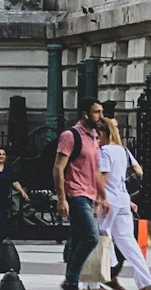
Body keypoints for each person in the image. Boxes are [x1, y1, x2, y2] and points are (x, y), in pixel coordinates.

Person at [54, 98, 108, 290]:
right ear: (85, 113)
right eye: (97, 112)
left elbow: (94, 171)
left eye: (101, 112)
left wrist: (102, 197)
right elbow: (58, 168)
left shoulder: (94, 136)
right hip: (75, 193)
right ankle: (71, 280)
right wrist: (62, 199)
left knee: (78, 238)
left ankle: (71, 280)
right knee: (91, 237)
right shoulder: (70, 135)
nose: (101, 116)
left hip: (90, 195)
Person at [97, 118, 151, 290]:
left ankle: (108, 269)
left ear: (102, 133)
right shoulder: (123, 151)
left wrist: (101, 199)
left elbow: (103, 178)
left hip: (109, 199)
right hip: (122, 199)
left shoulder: (104, 151)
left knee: (101, 234)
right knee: (128, 242)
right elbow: (139, 171)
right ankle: (145, 281)